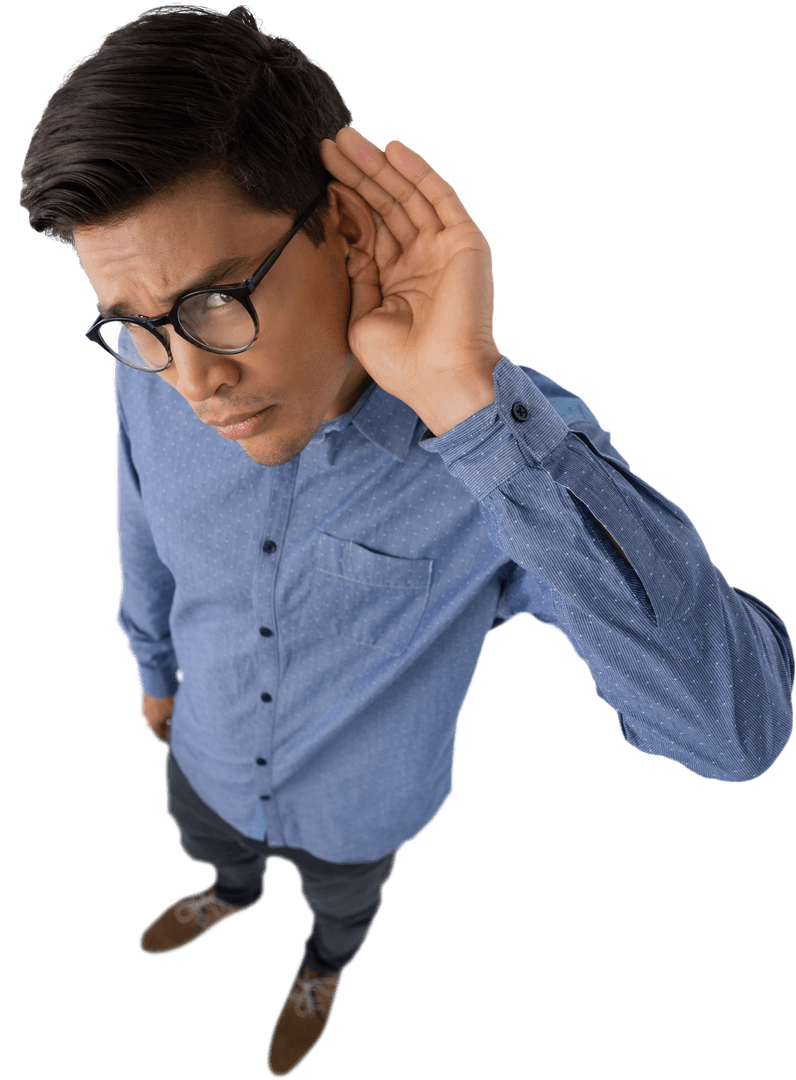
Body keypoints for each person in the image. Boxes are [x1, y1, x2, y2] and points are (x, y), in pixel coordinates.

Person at [19, 4, 794, 1076]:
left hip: (362, 810)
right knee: (216, 848)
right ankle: (227, 893)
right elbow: (138, 513)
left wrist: (472, 409)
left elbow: (733, 732)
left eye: (212, 301)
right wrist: (151, 668)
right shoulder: (148, 372)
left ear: (343, 227)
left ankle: (321, 969)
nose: (191, 379)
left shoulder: (507, 456)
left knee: (341, 908)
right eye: (136, 325)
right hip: (199, 755)